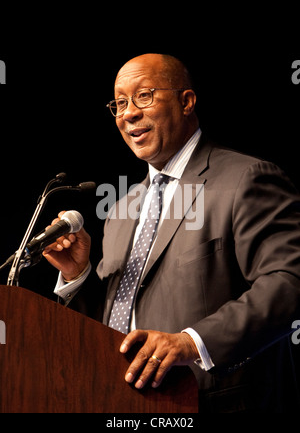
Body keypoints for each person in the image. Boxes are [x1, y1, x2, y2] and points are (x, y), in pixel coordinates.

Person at [43, 53, 300, 413]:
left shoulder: (246, 179)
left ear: (186, 101)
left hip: (213, 403)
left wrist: (192, 343)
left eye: (144, 95)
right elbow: (112, 322)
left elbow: (289, 282)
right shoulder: (121, 209)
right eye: (119, 103)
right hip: (121, 405)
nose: (129, 113)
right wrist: (77, 276)